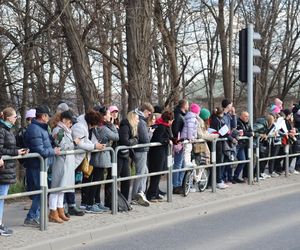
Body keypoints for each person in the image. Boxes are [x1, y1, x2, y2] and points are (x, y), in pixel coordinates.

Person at [23, 105, 60, 227]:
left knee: (42, 191)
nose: (49, 118)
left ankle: (34, 216)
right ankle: (31, 217)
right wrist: (53, 151)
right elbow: (40, 150)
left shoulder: (42, 128)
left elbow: (46, 145)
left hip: (42, 165)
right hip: (36, 165)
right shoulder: (34, 129)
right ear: (43, 116)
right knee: (41, 192)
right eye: (47, 115)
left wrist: (53, 144)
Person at [0, 107, 28, 236]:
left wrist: (19, 150)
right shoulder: (2, 130)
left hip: (7, 169)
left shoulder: (7, 130)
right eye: (15, 116)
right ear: (8, 118)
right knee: (1, 198)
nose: (16, 119)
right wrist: (15, 152)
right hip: (3, 169)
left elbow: (8, 147)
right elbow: (1, 150)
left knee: (2, 198)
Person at [72, 109, 106, 213]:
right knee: (69, 184)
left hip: (81, 158)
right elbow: (80, 143)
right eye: (95, 125)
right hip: (75, 158)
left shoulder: (84, 126)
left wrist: (95, 145)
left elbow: (86, 141)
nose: (95, 127)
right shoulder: (79, 127)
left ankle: (71, 206)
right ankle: (71, 206)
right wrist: (95, 146)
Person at [48, 111, 78, 223]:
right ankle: (53, 212)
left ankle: (60, 211)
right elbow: (61, 145)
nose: (71, 124)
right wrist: (74, 143)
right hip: (60, 162)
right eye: (70, 122)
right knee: (56, 188)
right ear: (64, 120)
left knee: (63, 188)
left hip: (67, 162)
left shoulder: (66, 130)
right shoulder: (58, 130)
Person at [89, 106, 119, 211]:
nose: (110, 115)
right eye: (108, 114)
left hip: (100, 157)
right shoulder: (104, 128)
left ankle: (97, 202)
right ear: (103, 116)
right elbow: (116, 136)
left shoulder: (100, 126)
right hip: (100, 158)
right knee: (96, 181)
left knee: (98, 180)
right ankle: (91, 203)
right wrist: (111, 124)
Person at [147, 111, 174, 202]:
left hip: (161, 153)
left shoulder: (164, 126)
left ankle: (155, 192)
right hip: (157, 154)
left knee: (158, 174)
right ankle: (151, 195)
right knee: (156, 174)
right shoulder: (161, 127)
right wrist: (167, 141)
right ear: (169, 120)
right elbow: (158, 139)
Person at [131, 102, 154, 206]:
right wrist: (150, 133)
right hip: (141, 150)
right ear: (145, 111)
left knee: (144, 171)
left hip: (142, 150)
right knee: (140, 172)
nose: (149, 116)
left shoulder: (140, 120)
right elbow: (145, 139)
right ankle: (135, 195)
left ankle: (140, 193)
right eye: (149, 114)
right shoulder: (141, 122)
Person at [118, 111, 139, 201]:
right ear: (133, 118)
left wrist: (133, 140)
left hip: (125, 155)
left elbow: (136, 139)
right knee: (114, 179)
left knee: (127, 180)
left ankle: (125, 201)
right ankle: (111, 202)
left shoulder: (131, 128)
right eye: (137, 119)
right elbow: (125, 141)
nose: (138, 121)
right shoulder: (125, 127)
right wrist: (133, 140)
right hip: (119, 155)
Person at [172, 99, 189, 194]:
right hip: (179, 142)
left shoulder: (181, 115)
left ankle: (179, 183)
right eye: (187, 105)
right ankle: (176, 185)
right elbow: (176, 130)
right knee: (178, 164)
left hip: (181, 142)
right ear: (184, 105)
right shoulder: (179, 116)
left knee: (182, 164)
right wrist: (178, 140)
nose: (188, 106)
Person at [233, 111, 253, 183]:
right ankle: (227, 178)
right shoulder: (238, 122)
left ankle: (235, 176)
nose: (247, 118)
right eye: (245, 116)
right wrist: (249, 133)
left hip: (242, 145)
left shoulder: (248, 123)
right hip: (237, 145)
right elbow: (243, 133)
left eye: (248, 116)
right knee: (230, 161)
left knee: (243, 161)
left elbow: (250, 132)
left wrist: (249, 133)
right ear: (241, 116)